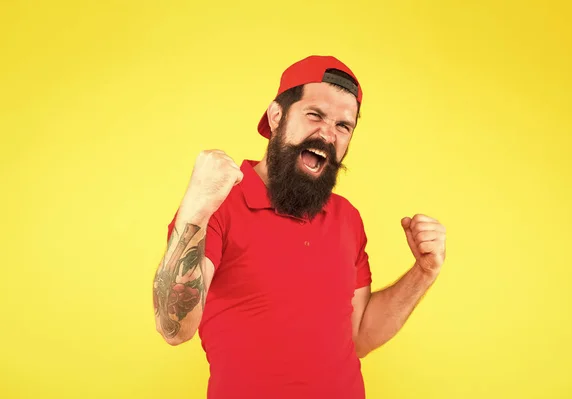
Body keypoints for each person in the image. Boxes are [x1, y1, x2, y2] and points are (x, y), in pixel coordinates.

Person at [152, 55, 447, 399]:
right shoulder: (215, 206)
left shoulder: (347, 218)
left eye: (343, 126)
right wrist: (195, 208)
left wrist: (424, 271)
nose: (327, 134)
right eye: (314, 115)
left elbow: (359, 337)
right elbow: (173, 328)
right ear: (276, 116)